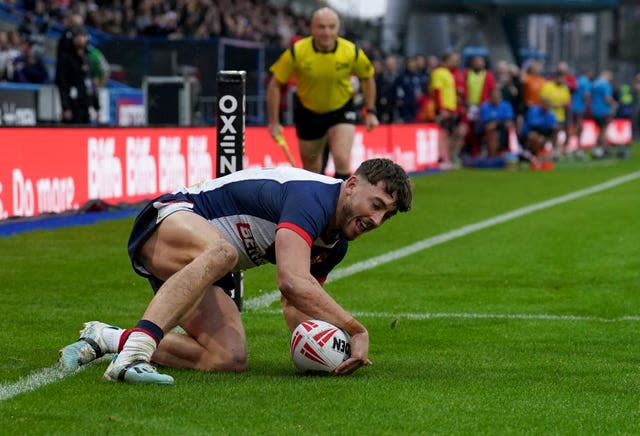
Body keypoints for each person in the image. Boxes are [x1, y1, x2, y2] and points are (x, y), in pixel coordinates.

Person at [58, 158, 413, 384]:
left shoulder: (336, 245)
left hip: (203, 264)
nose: (377, 220)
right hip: (171, 218)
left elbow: (298, 308)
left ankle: (106, 338)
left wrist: (327, 351)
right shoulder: (313, 198)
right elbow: (290, 282)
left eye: (387, 215)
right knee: (224, 252)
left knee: (228, 358)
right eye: (376, 205)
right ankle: (134, 355)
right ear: (351, 185)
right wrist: (353, 328)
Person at [266, 7, 379, 180]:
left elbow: (367, 77)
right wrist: (274, 122)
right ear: (312, 29)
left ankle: (342, 205)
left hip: (341, 109)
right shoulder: (297, 52)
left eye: (331, 27)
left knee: (342, 158)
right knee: (312, 169)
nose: (326, 32)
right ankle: (317, 204)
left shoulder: (351, 51)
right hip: (308, 113)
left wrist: (370, 111)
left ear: (338, 29)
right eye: (321, 27)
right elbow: (274, 84)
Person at [55, 25, 99, 124]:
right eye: (78, 36)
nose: (81, 39)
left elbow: (91, 82)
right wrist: (65, 107)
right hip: (72, 103)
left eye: (83, 36)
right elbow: (63, 84)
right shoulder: (66, 58)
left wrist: (96, 106)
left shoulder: (87, 57)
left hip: (86, 102)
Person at [478, 87, 514, 157]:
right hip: (488, 131)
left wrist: (497, 123)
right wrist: (500, 123)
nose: (497, 97)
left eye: (498, 95)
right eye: (494, 95)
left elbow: (509, 121)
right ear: (490, 97)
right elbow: (487, 123)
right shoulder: (485, 106)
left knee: (510, 127)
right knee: (492, 131)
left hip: (503, 130)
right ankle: (493, 156)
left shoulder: (506, 105)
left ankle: (511, 153)